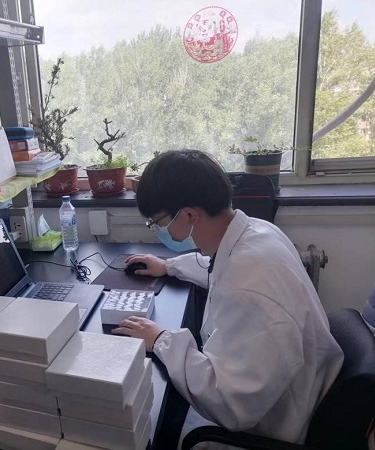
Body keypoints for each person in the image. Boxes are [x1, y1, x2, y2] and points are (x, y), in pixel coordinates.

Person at [112, 149, 344, 447]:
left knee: (152, 425)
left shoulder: (246, 287)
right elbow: (216, 266)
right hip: (286, 388)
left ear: (189, 215)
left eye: (157, 222)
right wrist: (168, 266)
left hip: (268, 426)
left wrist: (161, 340)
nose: (158, 230)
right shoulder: (257, 231)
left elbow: (228, 402)